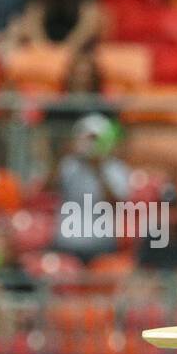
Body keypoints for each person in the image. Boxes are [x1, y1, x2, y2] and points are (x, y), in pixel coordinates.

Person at [52, 112, 129, 263]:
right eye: (88, 139)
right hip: (66, 242)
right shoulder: (68, 165)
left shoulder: (117, 169)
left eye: (96, 140)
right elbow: (45, 191)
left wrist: (98, 169)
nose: (91, 145)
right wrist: (62, 155)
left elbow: (117, 205)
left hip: (101, 244)